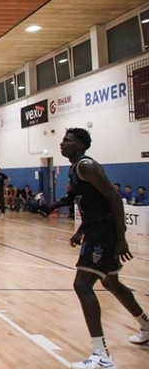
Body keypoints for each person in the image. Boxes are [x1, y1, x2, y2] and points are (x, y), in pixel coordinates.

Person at [59, 128, 149, 368]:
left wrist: (121, 237)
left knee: (82, 285)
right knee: (111, 282)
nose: (62, 143)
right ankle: (147, 327)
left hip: (105, 234)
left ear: (80, 145)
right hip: (96, 230)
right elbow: (92, 204)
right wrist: (81, 230)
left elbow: (113, 198)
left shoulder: (87, 166)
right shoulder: (75, 166)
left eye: (67, 140)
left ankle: (102, 356)